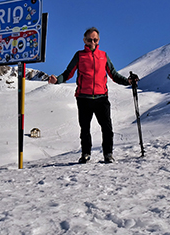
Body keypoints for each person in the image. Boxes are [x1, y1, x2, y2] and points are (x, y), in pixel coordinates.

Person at [48, 27, 138, 164]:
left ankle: (108, 154)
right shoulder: (79, 55)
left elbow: (113, 74)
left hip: (102, 97)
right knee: (85, 128)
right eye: (90, 40)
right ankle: (85, 154)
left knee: (107, 127)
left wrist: (128, 81)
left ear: (99, 40)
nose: (92, 42)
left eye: (95, 39)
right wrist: (57, 80)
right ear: (84, 40)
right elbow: (68, 73)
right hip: (84, 98)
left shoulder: (104, 56)